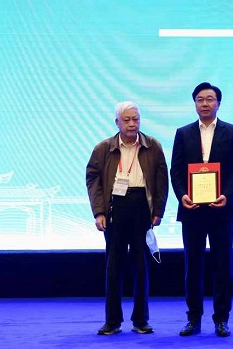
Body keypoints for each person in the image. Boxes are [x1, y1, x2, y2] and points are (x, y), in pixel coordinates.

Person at [86, 101, 168, 336]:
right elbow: (93, 180)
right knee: (114, 266)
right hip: (115, 208)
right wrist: (99, 212)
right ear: (117, 122)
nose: (132, 124)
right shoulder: (104, 148)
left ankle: (141, 320)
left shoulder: (153, 146)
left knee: (141, 266)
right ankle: (112, 321)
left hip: (142, 206)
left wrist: (158, 211)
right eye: (127, 120)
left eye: (136, 119)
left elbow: (162, 181)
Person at [171, 82, 233, 338]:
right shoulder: (183, 133)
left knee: (223, 266)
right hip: (191, 209)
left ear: (218, 103)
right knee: (192, 266)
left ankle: (222, 319)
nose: (205, 103)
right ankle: (193, 319)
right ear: (195, 104)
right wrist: (182, 195)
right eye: (200, 99)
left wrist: (226, 194)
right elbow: (176, 170)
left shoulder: (232, 132)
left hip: (222, 208)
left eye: (210, 99)